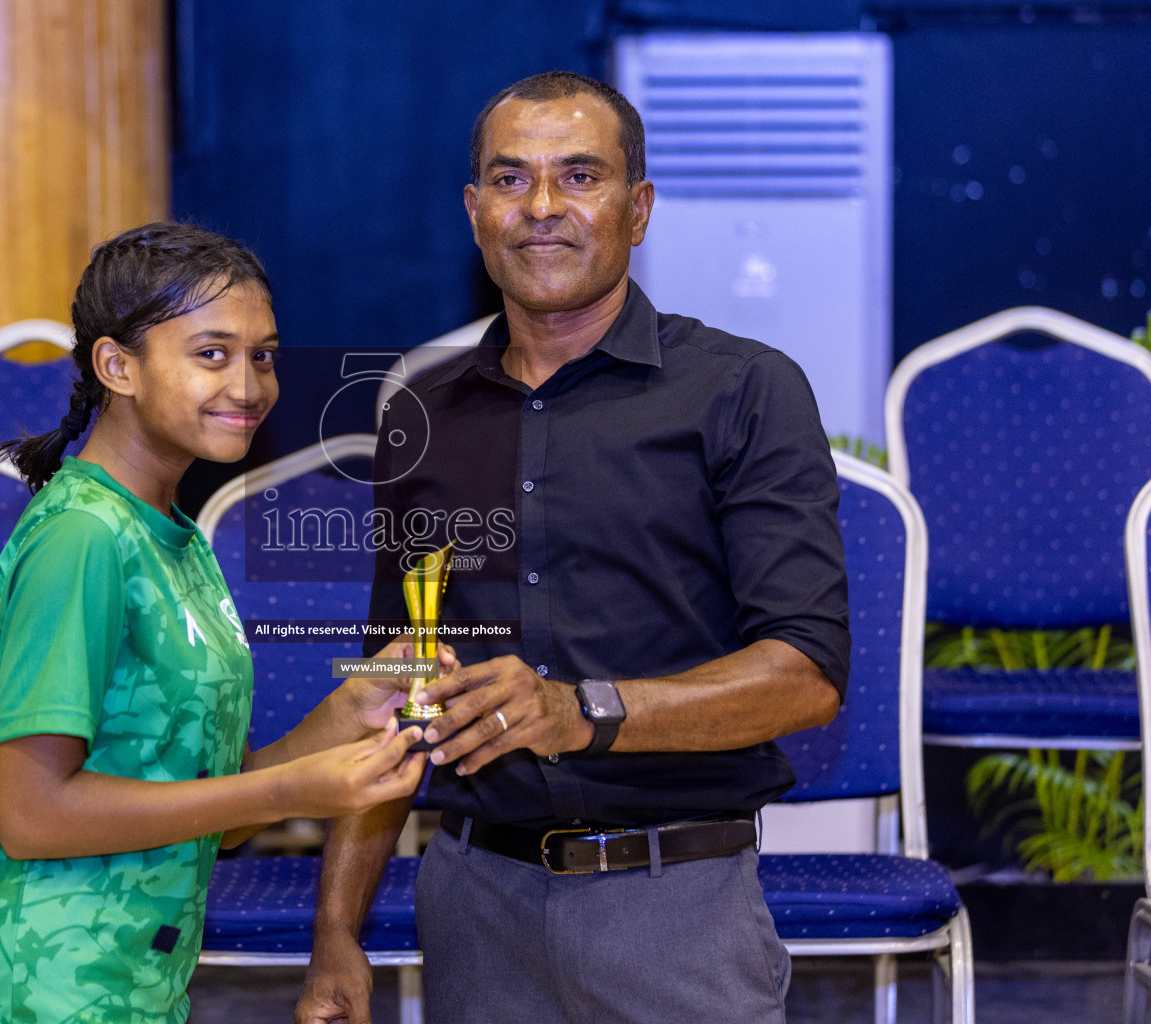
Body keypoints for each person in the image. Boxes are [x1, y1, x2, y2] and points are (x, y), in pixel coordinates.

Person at [295, 72, 849, 1024]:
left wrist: (581, 710)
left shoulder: (744, 391)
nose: (542, 207)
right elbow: (397, 684)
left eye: (579, 176)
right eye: (511, 180)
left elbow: (806, 675)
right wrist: (336, 930)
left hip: (676, 904)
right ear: (475, 214)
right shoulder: (420, 415)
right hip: (473, 905)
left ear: (637, 210)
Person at [0, 223, 435, 1024]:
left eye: (263, 355)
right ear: (117, 366)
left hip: (135, 988)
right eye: (212, 354)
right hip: (32, 990)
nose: (251, 385)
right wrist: (294, 788)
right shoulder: (83, 535)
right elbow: (30, 814)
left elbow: (204, 815)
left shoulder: (175, 534)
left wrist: (335, 725)